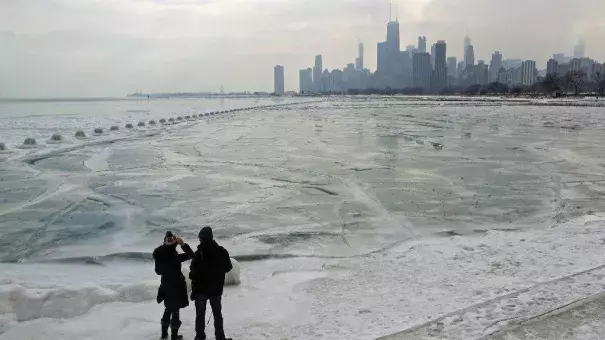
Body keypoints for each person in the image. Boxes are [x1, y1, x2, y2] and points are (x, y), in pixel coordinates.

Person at [189, 226, 233, 340]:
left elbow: (192, 273)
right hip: (216, 289)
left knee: (200, 315)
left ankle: (200, 337)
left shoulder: (198, 254)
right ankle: (220, 337)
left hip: (200, 290)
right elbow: (228, 267)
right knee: (217, 314)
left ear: (201, 239)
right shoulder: (221, 251)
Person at [153, 231, 194, 340]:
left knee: (168, 309)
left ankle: (164, 334)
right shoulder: (175, 256)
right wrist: (183, 244)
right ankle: (174, 336)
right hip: (177, 287)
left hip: (166, 286)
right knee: (175, 311)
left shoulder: (159, 254)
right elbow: (192, 255)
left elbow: (158, 272)